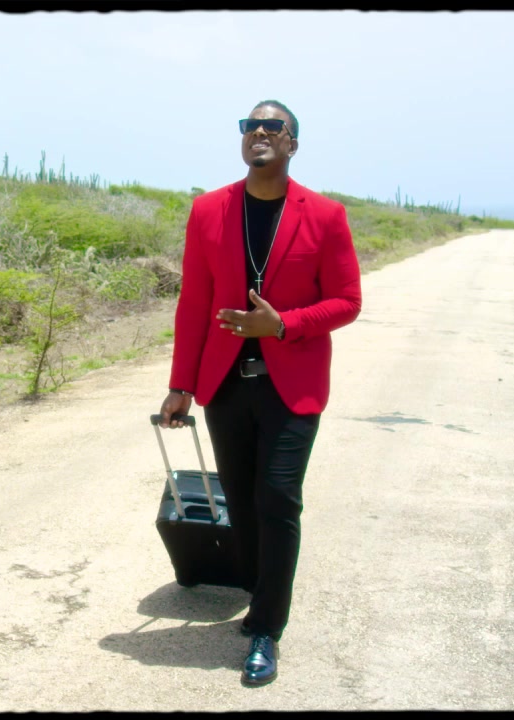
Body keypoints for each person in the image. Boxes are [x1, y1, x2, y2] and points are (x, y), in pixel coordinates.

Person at [158, 99, 363, 686]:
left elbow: (348, 302)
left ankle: (267, 628)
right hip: (225, 386)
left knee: (277, 499)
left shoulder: (324, 215)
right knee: (243, 503)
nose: (260, 133)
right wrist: (180, 385)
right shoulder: (209, 210)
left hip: (291, 387)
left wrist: (281, 325)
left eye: (274, 126)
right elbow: (194, 303)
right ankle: (258, 589)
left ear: (293, 143)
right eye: (251, 126)